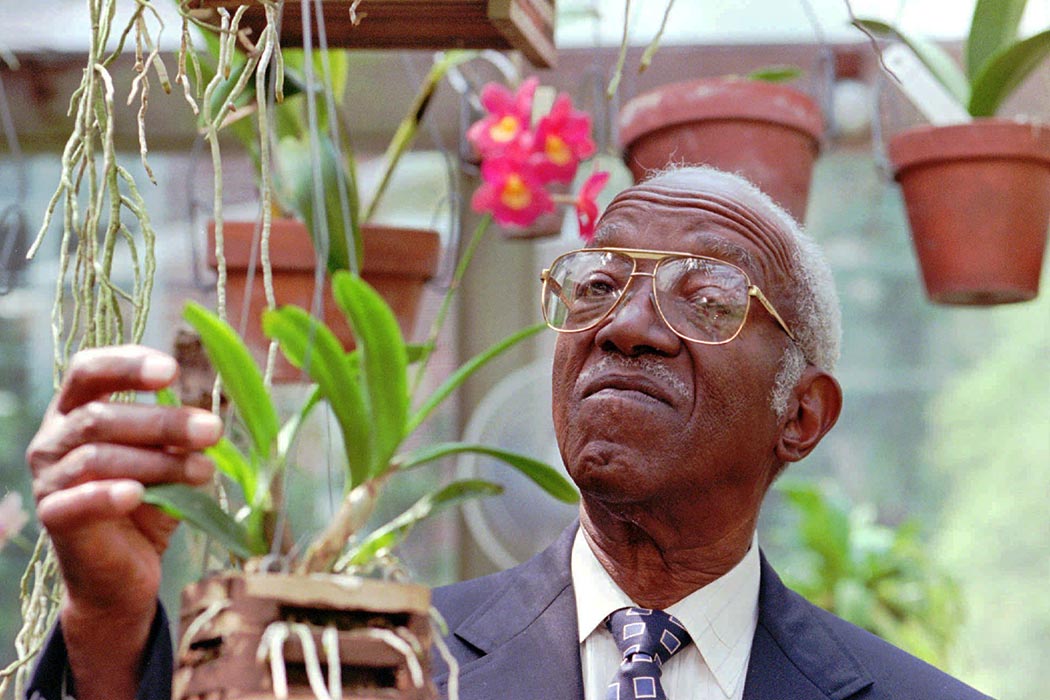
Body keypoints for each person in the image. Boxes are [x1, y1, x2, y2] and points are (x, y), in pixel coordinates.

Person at [24, 166, 991, 700]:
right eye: (597, 285)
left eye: (704, 297)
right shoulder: (372, 666)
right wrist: (108, 627)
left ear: (803, 416)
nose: (624, 324)